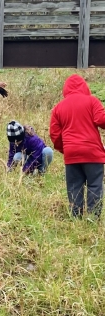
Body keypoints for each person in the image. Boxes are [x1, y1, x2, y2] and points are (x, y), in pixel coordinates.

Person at [50, 74, 105, 217]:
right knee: (95, 186)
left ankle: (76, 217)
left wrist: (66, 149)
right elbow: (101, 120)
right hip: (93, 153)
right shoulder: (92, 101)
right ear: (84, 87)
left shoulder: (58, 108)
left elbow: (54, 134)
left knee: (74, 187)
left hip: (71, 153)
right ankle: (93, 217)